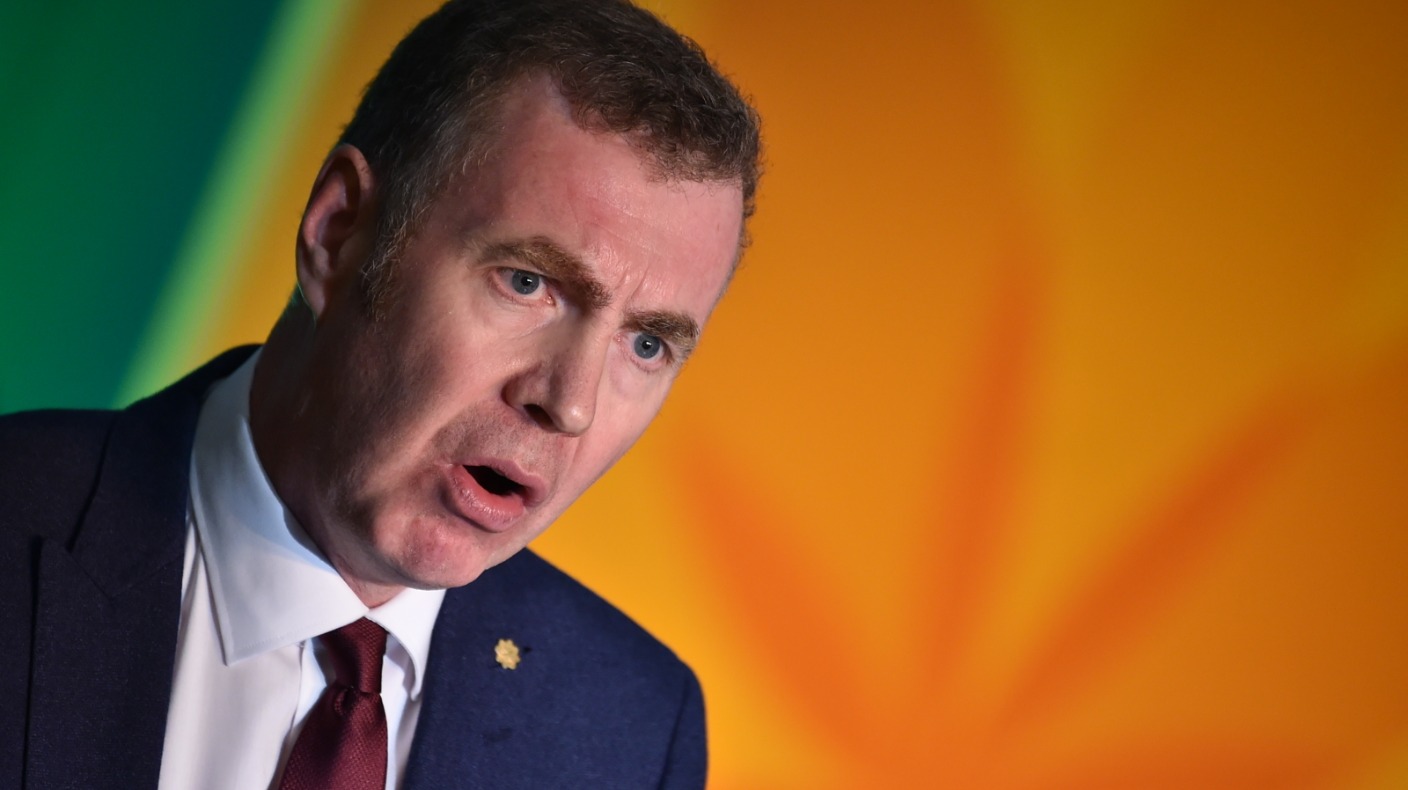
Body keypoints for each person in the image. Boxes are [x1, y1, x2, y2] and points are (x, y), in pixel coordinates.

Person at [0, 1, 761, 788]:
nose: (570, 404)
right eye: (527, 282)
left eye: (646, 344)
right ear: (338, 234)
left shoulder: (632, 733)